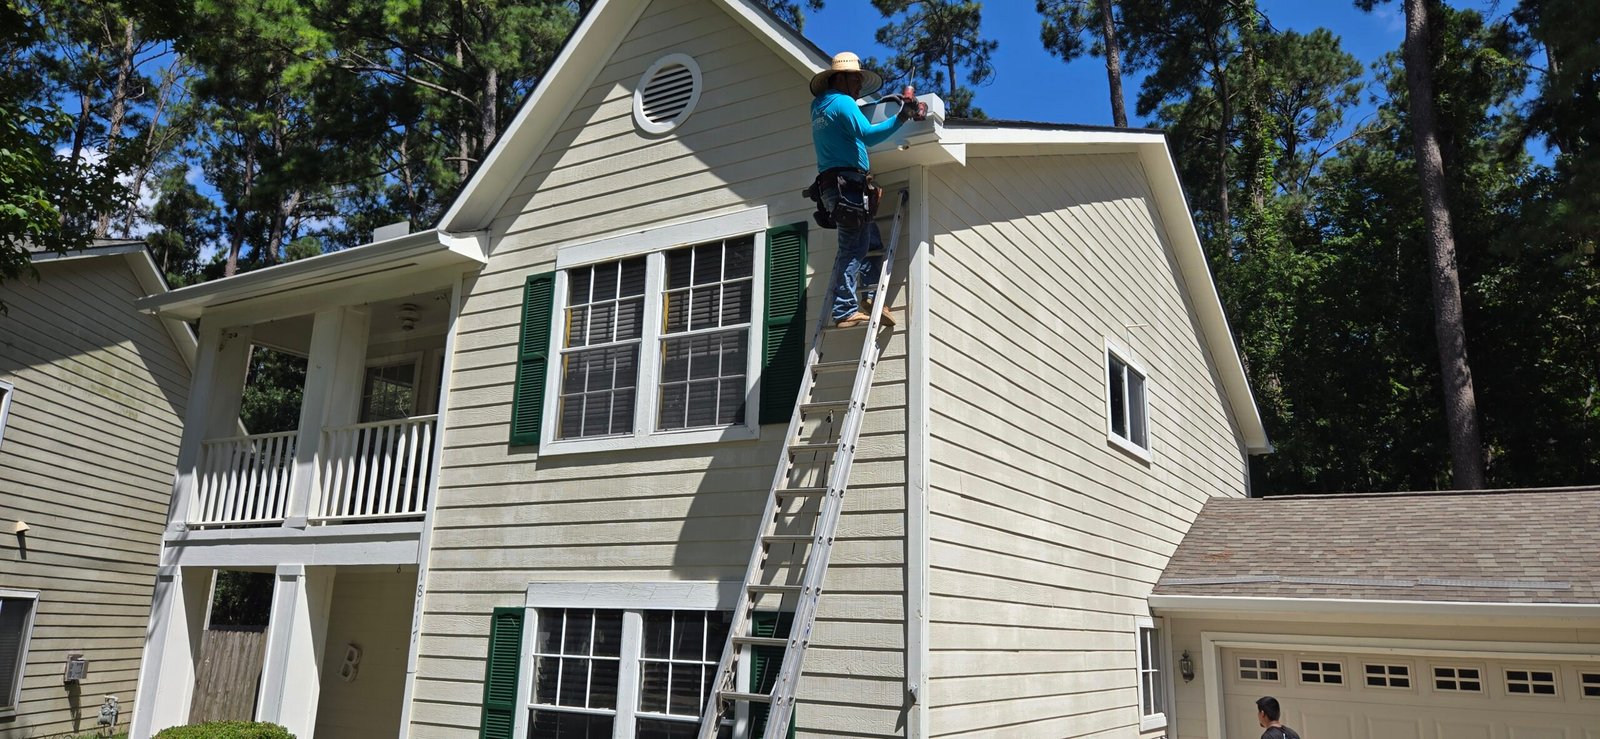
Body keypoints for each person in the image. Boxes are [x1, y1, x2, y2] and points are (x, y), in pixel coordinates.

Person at [808, 51, 917, 329]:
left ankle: (870, 296)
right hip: (848, 186)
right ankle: (844, 310)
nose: (858, 86)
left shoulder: (819, 106)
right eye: (855, 80)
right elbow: (868, 135)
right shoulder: (843, 102)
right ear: (841, 78)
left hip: (834, 187)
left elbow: (847, 131)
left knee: (870, 241)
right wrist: (902, 117)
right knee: (852, 248)